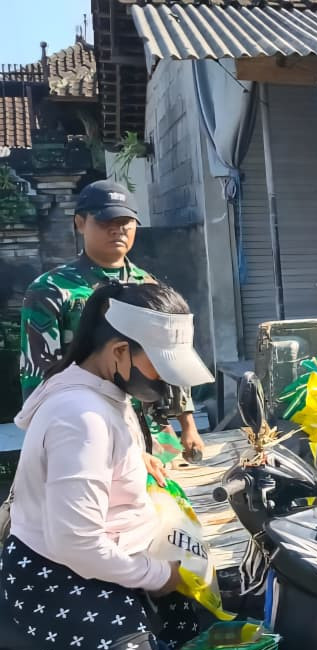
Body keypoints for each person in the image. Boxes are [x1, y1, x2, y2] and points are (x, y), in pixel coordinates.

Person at [2, 281, 215, 650]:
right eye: (160, 366)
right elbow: (79, 544)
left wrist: (140, 461)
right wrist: (159, 576)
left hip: (91, 564)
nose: (166, 382)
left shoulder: (97, 395)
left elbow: (93, 455)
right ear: (119, 351)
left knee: (200, 636)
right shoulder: (82, 416)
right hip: (60, 580)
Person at [19, 179, 205, 481]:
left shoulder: (149, 286)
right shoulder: (51, 291)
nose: (117, 230)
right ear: (80, 223)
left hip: (155, 433)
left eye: (126, 222)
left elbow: (173, 360)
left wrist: (188, 424)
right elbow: (39, 378)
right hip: (91, 430)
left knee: (170, 516)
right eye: (106, 221)